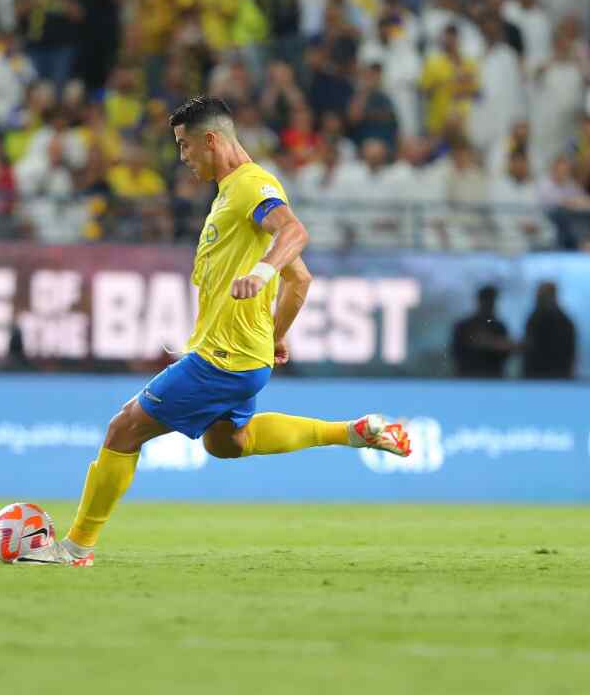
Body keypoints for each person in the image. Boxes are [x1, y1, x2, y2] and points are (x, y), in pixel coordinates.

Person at [23, 97, 411, 567]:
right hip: (247, 359)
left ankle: (76, 548)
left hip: (221, 359)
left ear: (210, 140)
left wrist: (263, 274)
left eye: (185, 146)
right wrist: (275, 334)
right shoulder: (230, 195)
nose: (182, 158)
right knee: (227, 443)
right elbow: (301, 279)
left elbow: (295, 233)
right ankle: (353, 432)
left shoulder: (252, 186)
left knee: (123, 430)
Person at [450, 285, 513, 378]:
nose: (489, 304)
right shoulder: (464, 326)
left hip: (490, 377)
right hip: (470, 376)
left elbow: (506, 354)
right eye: (487, 301)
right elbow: (456, 352)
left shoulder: (499, 326)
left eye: (491, 301)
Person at [523, 282, 576, 379]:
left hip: (550, 375)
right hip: (540, 376)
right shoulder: (565, 320)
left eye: (542, 295)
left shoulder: (561, 321)